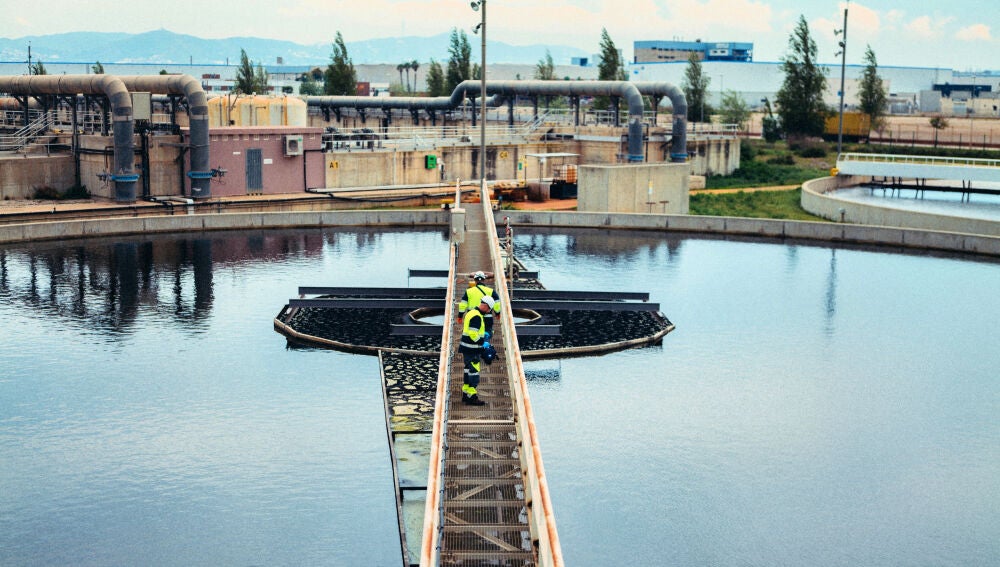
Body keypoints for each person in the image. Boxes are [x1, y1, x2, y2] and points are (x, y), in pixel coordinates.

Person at [458, 295, 494, 406]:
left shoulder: (471, 312)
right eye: (489, 309)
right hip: (472, 349)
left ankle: (466, 394)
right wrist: (482, 343)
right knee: (474, 373)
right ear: (486, 306)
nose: (488, 312)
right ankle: (472, 397)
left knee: (468, 370)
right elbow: (473, 333)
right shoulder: (477, 316)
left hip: (467, 348)